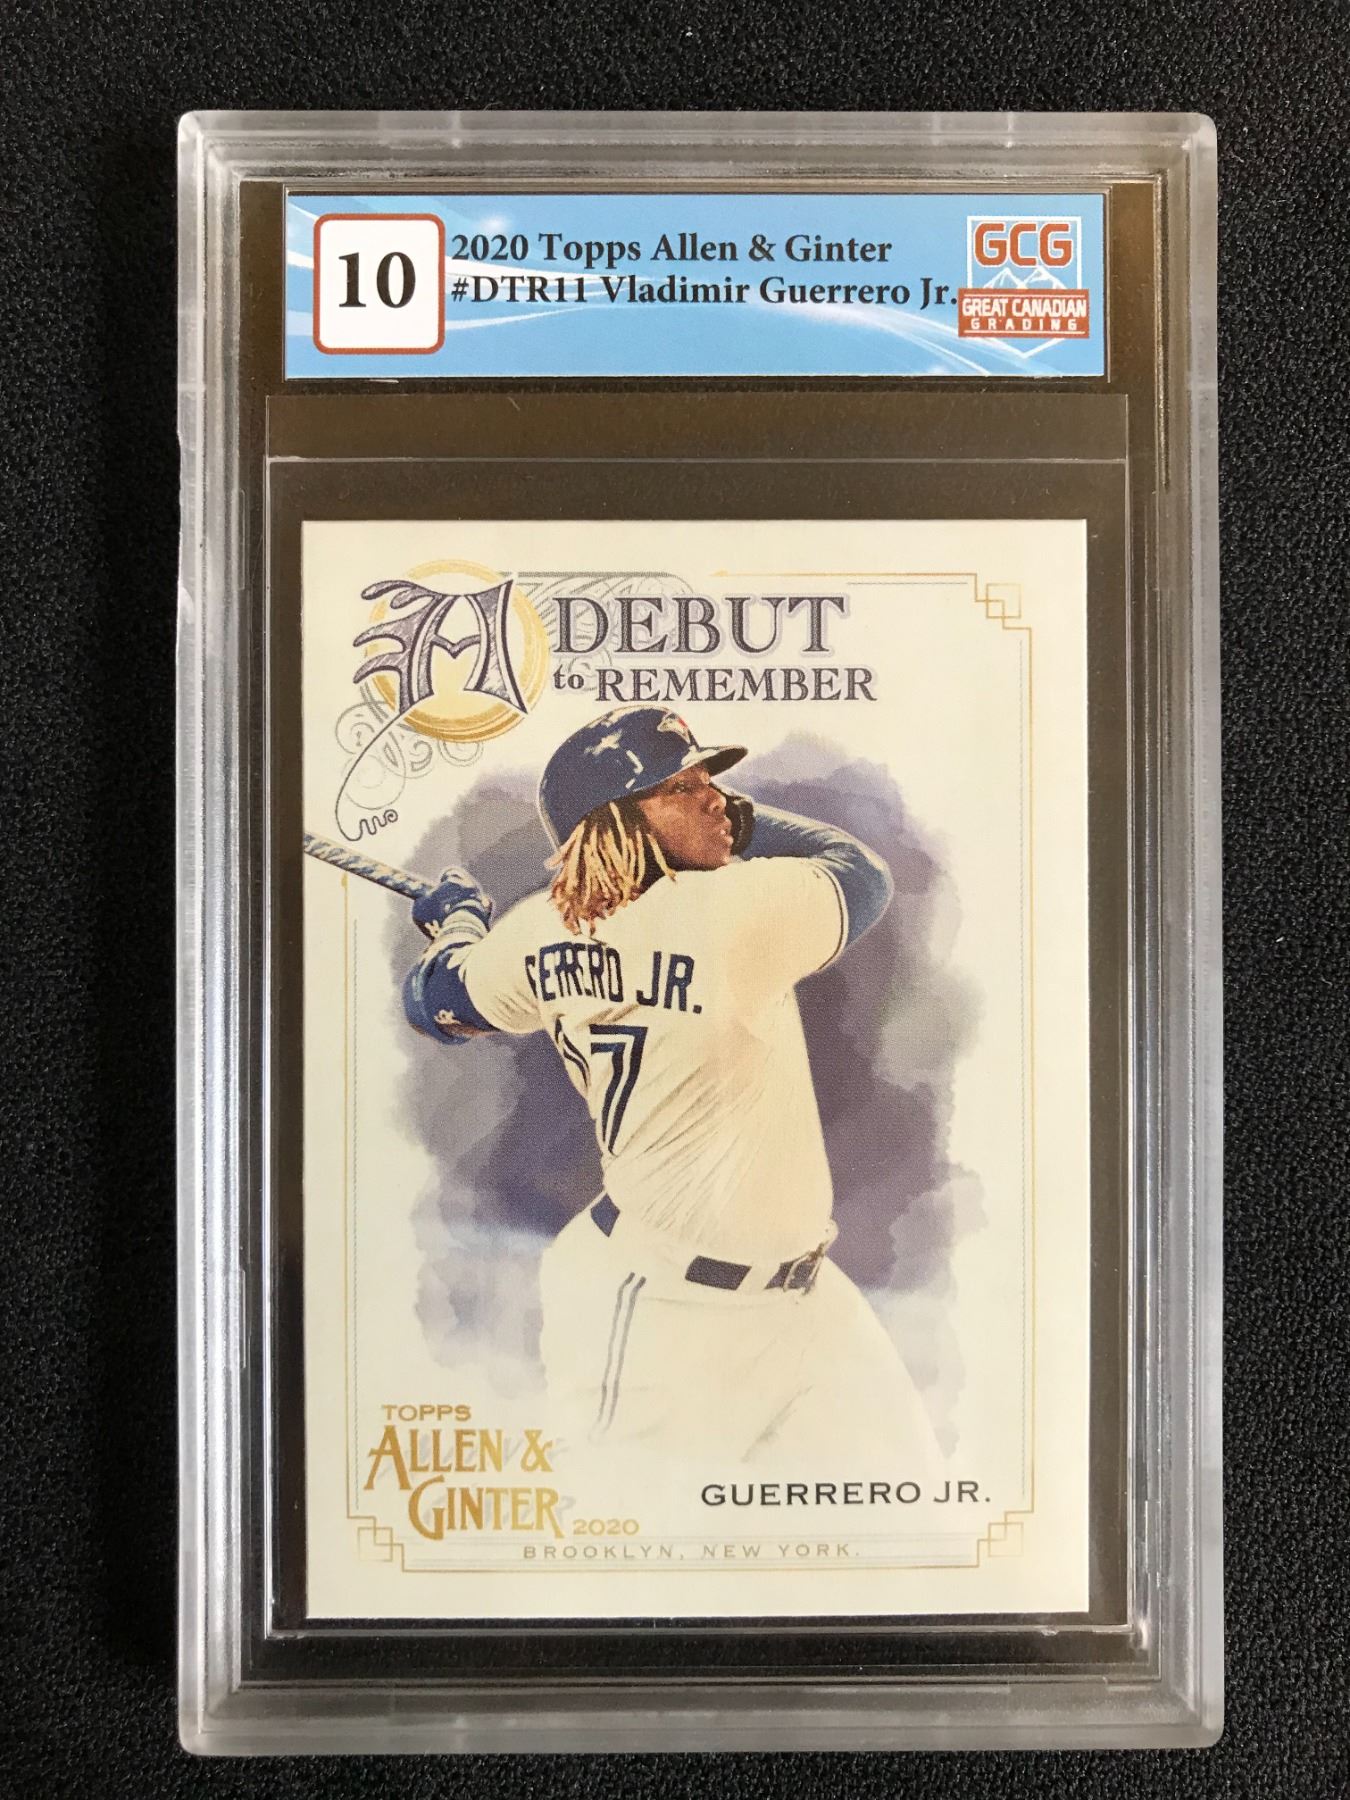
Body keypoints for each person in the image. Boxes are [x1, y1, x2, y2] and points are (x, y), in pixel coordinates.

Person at [402, 704, 941, 1469]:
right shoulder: (736, 907)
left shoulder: (536, 929)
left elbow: (437, 1000)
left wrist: (457, 922)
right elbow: (860, 874)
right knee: (627, 1525)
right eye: (680, 788)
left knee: (907, 1502)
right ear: (616, 824)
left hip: (806, 1299)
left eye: (707, 782)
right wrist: (748, 827)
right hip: (658, 1312)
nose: (717, 798)